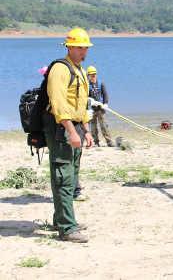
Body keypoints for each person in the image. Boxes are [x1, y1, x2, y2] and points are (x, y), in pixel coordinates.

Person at [43, 27, 94, 243]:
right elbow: (59, 104)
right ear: (70, 47)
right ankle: (67, 228)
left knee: (71, 175)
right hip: (61, 129)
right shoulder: (60, 69)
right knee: (63, 176)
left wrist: (87, 130)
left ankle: (61, 219)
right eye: (81, 48)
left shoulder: (80, 70)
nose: (85, 52)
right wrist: (72, 131)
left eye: (86, 48)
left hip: (75, 127)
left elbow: (80, 103)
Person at [87, 65, 114, 147]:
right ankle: (96, 142)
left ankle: (109, 142)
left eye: (94, 74)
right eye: (91, 75)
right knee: (93, 127)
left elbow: (105, 94)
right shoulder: (87, 85)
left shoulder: (101, 83)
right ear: (88, 76)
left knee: (104, 126)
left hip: (101, 109)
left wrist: (105, 103)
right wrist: (90, 103)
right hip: (92, 109)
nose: (93, 76)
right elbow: (85, 96)